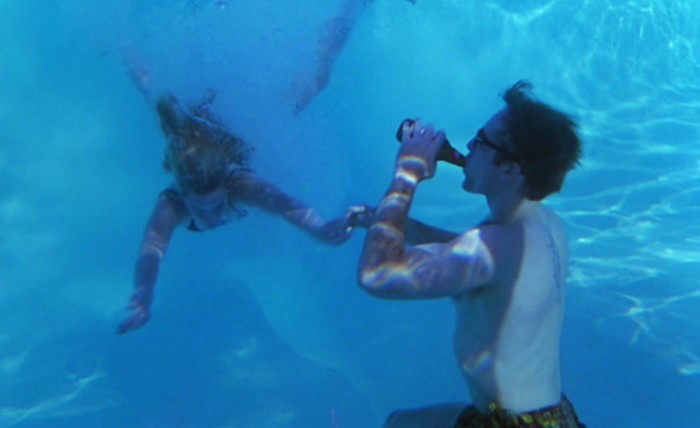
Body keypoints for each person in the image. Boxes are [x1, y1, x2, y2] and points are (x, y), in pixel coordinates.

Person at [356, 81, 586, 427]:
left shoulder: (491, 246)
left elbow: (377, 275)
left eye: (480, 140)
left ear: (508, 169)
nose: (468, 147)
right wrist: (395, 223)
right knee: (401, 423)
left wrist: (407, 174)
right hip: (552, 418)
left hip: (509, 425)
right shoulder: (544, 225)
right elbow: (472, 258)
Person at [118, 90, 361, 334]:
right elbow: (152, 245)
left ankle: (322, 68)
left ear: (227, 188)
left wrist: (318, 228)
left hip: (228, 142)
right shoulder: (172, 206)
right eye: (199, 210)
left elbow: (285, 205)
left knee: (294, 103)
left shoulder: (243, 187)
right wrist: (144, 291)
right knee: (163, 110)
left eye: (217, 206)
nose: (212, 217)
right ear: (183, 197)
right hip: (197, 150)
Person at [292, 0, 417, 114]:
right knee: (320, 78)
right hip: (341, 25)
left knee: (320, 77)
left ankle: (293, 104)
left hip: (342, 24)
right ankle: (293, 104)